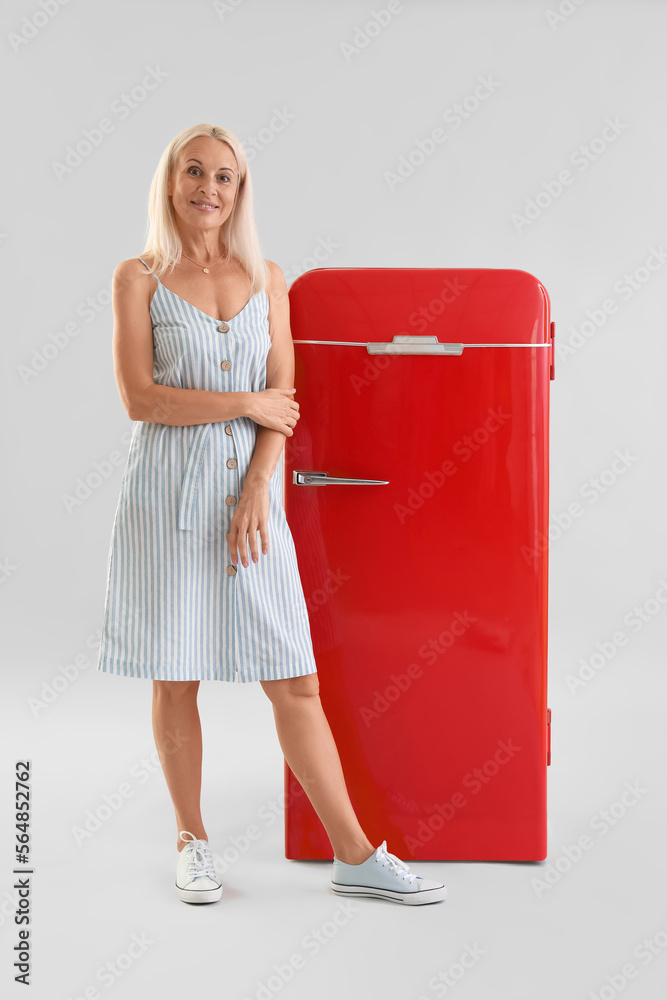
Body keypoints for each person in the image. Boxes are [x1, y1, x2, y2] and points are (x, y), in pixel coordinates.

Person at [96, 122, 446, 906]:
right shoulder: (138, 277)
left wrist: (260, 482)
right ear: (170, 181)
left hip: (250, 500)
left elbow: (282, 400)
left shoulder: (268, 278)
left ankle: (354, 855)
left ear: (240, 191)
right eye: (194, 172)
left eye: (224, 177)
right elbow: (140, 398)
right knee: (175, 676)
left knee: (294, 681)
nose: (208, 189)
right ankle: (191, 842)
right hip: (164, 497)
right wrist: (243, 402)